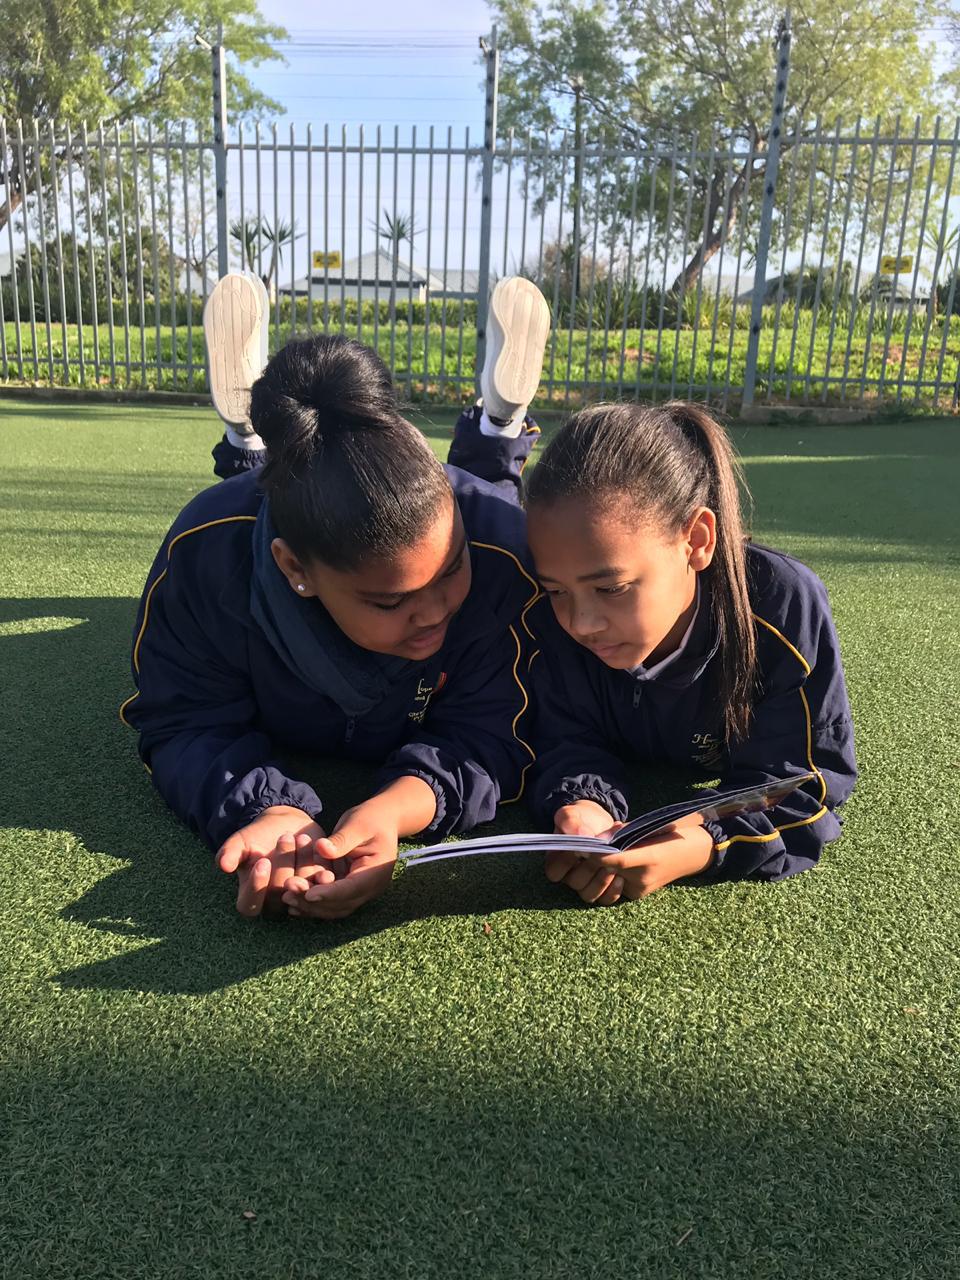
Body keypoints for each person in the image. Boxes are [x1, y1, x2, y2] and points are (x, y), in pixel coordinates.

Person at [121, 272, 550, 922]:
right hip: (257, 519)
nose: (434, 612)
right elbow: (185, 718)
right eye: (389, 602)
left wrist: (390, 813)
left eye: (450, 570)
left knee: (492, 481)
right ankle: (247, 434)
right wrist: (270, 810)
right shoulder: (206, 553)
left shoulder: (500, 549)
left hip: (479, 501)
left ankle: (499, 422)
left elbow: (493, 733)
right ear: (294, 569)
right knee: (266, 479)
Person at [522, 401, 858, 906]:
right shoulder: (551, 614)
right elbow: (563, 736)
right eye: (556, 590)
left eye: (611, 588)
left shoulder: (781, 604)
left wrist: (702, 846)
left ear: (696, 540)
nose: (580, 623)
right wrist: (582, 803)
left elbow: (803, 785)